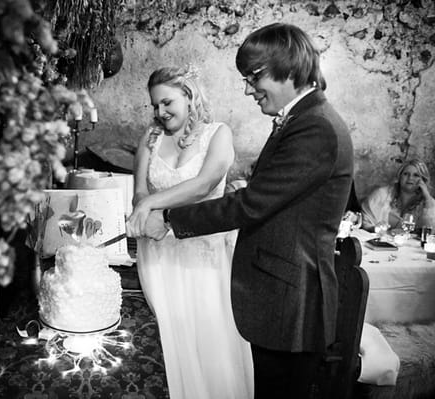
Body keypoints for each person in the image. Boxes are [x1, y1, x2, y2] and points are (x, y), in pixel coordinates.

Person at [127, 23, 354, 398]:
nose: (248, 88)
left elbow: (251, 204)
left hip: (290, 302)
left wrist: (167, 218)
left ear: (290, 69)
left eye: (254, 77)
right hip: (276, 296)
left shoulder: (316, 127)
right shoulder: (302, 121)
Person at [128, 65, 254, 399]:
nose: (160, 112)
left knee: (208, 341)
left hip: (203, 257)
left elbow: (203, 185)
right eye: (154, 105)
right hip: (159, 253)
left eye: (167, 102)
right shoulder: (150, 136)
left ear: (188, 95)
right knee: (169, 341)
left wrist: (151, 205)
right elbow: (139, 191)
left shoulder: (219, 134)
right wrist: (144, 206)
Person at [361, 159, 435, 232]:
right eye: (406, 174)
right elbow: (365, 222)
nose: (410, 178)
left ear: (423, 180)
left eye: (416, 175)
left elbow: (430, 232)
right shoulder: (381, 194)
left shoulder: (428, 203)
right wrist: (375, 229)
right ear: (400, 176)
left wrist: (427, 199)